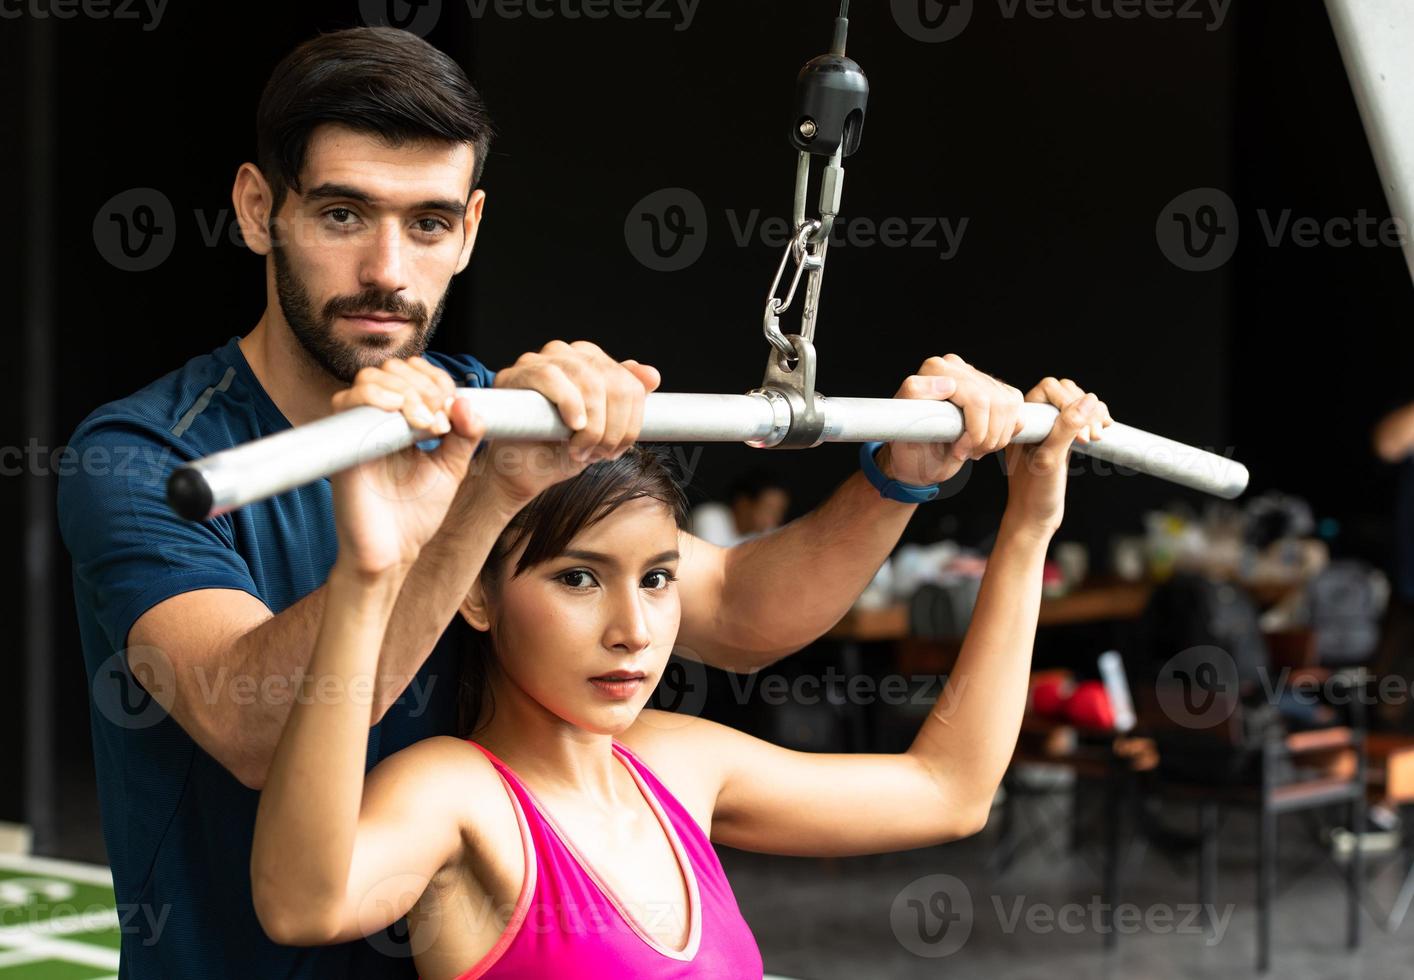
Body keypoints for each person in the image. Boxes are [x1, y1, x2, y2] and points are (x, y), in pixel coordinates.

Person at [53, 26, 1086, 978]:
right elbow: (253, 729)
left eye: (428, 224)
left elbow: (735, 611)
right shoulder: (144, 457)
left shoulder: (490, 410)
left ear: (470, 230)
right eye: (340, 214)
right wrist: (458, 514)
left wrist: (898, 476)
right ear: (254, 210)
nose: (386, 270)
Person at [249, 366, 1110, 977]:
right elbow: (299, 907)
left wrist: (1028, 523)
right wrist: (371, 578)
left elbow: (950, 790)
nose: (633, 631)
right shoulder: (457, 794)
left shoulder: (678, 764)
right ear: (477, 595)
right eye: (578, 578)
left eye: (657, 579)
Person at [689, 468, 789, 548]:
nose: (776, 518)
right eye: (768, 509)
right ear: (743, 503)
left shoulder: (766, 534)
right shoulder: (709, 517)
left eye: (779, 511)